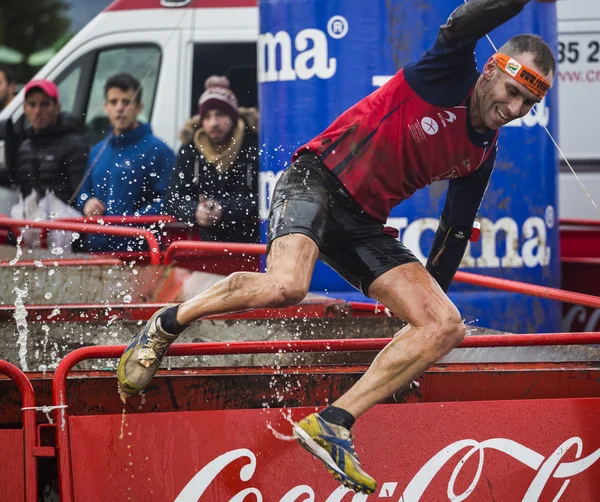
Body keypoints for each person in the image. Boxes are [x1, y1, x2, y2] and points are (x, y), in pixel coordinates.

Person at [117, 0, 555, 494]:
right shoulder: (448, 69)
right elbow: (459, 25)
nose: (515, 111)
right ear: (492, 70)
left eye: (528, 105)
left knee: (445, 323)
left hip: (363, 223)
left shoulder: (483, 152)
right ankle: (166, 323)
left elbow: (452, 235)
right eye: (513, 93)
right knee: (288, 285)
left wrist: (423, 322)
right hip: (316, 181)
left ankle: (333, 422)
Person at [76, 73, 175, 251]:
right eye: (114, 102)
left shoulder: (158, 150)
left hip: (140, 254)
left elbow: (170, 199)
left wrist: (135, 221)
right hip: (98, 252)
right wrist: (87, 203)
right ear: (105, 107)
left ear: (139, 107)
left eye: (126, 102)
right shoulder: (97, 151)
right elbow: (83, 193)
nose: (120, 108)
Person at [165, 75, 259, 243]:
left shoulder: (253, 146)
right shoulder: (190, 150)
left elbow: (265, 197)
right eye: (207, 117)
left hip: (250, 244)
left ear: (233, 116)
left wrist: (224, 210)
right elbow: (173, 197)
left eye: (220, 114)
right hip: (204, 246)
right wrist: (195, 210)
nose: (214, 123)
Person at [13, 79, 87, 214]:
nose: (37, 111)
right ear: (24, 108)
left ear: (57, 107)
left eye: (44, 104)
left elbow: (82, 196)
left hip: (66, 228)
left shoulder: (74, 144)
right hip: (33, 227)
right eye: (32, 104)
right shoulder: (24, 148)